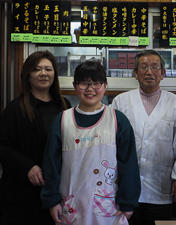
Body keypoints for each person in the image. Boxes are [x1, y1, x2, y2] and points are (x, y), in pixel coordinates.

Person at [40, 60, 141, 225]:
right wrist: (51, 199)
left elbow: (128, 164)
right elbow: (51, 164)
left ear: (105, 85)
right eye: (84, 84)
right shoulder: (62, 120)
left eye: (96, 84)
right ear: (74, 85)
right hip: (71, 205)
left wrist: (128, 201)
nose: (90, 89)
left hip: (110, 206)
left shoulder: (118, 120)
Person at [112, 49, 176, 225]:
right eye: (144, 67)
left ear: (163, 74)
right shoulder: (120, 102)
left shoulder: (175, 103)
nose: (149, 71)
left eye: (155, 67)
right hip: (126, 187)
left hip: (161, 186)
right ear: (135, 73)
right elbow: (112, 145)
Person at [0, 50, 71, 225]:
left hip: (56, 191)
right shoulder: (15, 109)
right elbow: (3, 147)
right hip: (21, 195)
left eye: (48, 69)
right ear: (28, 75)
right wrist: (28, 167)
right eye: (37, 69)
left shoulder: (65, 106)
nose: (43, 73)